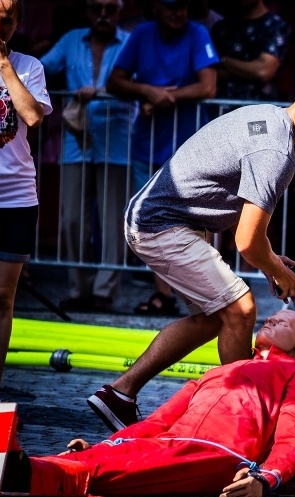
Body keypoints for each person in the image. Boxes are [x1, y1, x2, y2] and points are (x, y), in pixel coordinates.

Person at [86, 68, 295, 432]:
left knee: (215, 316)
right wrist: (279, 272)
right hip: (160, 224)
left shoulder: (270, 118)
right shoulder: (276, 153)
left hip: (158, 218)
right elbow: (246, 242)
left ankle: (119, 394)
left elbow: (244, 228)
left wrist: (273, 261)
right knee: (241, 309)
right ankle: (239, 419)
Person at [2, 310, 295, 497]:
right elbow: (159, 421)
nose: (270, 318)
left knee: (115, 468)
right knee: (101, 457)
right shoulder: (218, 372)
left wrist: (266, 478)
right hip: (171, 443)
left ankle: (26, 475)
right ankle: (21, 466)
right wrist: (109, 444)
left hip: (219, 453)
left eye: (282, 320)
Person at [106, 0, 219, 316]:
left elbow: (209, 87)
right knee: (153, 220)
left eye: (182, 6)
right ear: (155, 7)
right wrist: (146, 91)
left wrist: (164, 96)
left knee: (193, 219)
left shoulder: (197, 33)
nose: (178, 11)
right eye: (170, 5)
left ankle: (201, 293)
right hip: (149, 142)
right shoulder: (142, 34)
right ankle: (164, 294)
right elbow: (113, 81)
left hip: (191, 146)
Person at [40, 0, 132, 313]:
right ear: (87, 12)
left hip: (118, 142)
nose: (103, 16)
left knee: (113, 221)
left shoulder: (130, 42)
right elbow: (41, 68)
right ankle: (78, 289)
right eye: (96, 9)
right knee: (72, 220)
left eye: (110, 9)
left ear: (120, 11)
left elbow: (145, 80)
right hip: (75, 143)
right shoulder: (71, 40)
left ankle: (104, 292)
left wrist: (112, 89)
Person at [0, 0, 52, 404]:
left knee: (0, 296)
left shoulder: (28, 66)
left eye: (7, 20)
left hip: (14, 197)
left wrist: (3, 64)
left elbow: (32, 116)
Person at [209, 0, 290, 102]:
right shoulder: (221, 28)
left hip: (258, 109)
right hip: (221, 109)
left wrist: (223, 60)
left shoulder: (276, 26)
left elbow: (263, 71)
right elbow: (209, 73)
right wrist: (248, 72)